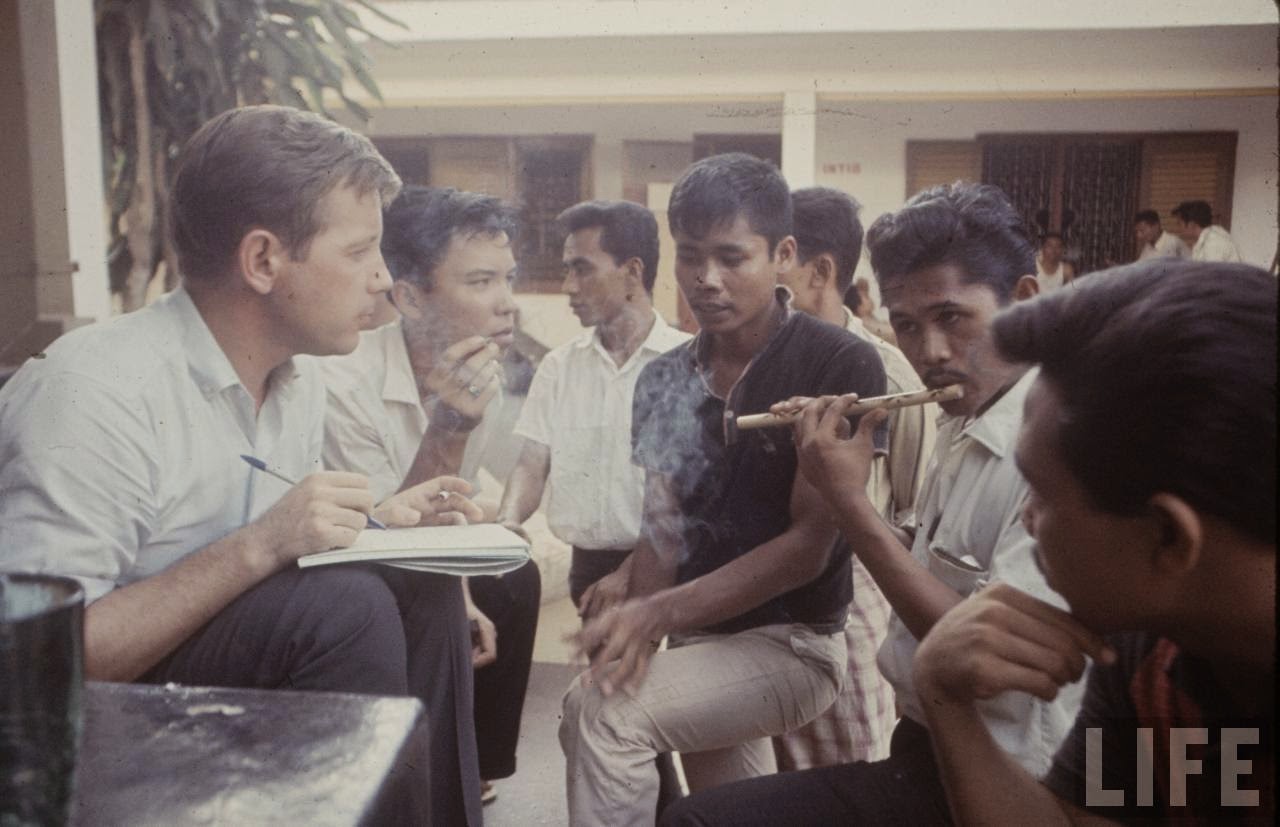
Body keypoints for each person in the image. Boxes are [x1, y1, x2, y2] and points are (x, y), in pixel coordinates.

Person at [0, 106, 489, 826]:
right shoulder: (94, 394)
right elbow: (37, 668)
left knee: (424, 585)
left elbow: (266, 585)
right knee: (343, 610)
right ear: (263, 261)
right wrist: (264, 540)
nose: (384, 278)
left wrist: (381, 521)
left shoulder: (297, 382)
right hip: (84, 732)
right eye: (360, 252)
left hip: (200, 691)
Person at [661, 181, 1081, 826]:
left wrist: (846, 500)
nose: (931, 353)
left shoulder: (1055, 451)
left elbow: (982, 655)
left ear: (1025, 303)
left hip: (1012, 777)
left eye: (952, 318)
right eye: (907, 325)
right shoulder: (962, 421)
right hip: (923, 750)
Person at [560, 153, 887, 827]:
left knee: (601, 716)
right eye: (690, 257)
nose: (707, 280)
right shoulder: (665, 378)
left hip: (794, 646)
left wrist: (654, 615)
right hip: (704, 645)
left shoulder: (837, 361)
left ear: (783, 254)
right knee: (718, 815)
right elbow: (662, 527)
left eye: (732, 257)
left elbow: (807, 548)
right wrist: (633, 631)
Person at [912, 260, 1275, 824]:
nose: (1027, 519)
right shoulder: (1155, 648)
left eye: (1044, 497)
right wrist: (942, 694)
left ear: (1170, 537)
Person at [317, 185, 540, 805]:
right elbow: (386, 535)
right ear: (410, 297)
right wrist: (448, 427)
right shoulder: (345, 380)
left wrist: (468, 593)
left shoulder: (478, 373)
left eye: (508, 279)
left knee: (512, 575)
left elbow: (450, 509)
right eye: (480, 282)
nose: (507, 304)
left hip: (415, 549)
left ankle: (477, 764)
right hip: (354, 564)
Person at [774, 186, 936, 767]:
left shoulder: (886, 369)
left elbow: (913, 502)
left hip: (857, 595)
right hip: (765, 596)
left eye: (776, 269)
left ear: (819, 270)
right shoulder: (756, 362)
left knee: (848, 767)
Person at [496, 199, 690, 617]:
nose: (568, 286)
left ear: (632, 273)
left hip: (673, 562)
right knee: (606, 683)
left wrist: (631, 573)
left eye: (582, 268)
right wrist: (507, 523)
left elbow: (697, 493)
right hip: (591, 572)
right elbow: (532, 463)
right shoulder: (559, 367)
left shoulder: (689, 362)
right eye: (568, 269)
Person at [1172, 200, 1244, 263]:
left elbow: (1212, 276)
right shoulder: (1204, 241)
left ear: (1192, 224)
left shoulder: (1214, 243)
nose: (1178, 228)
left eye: (1179, 223)